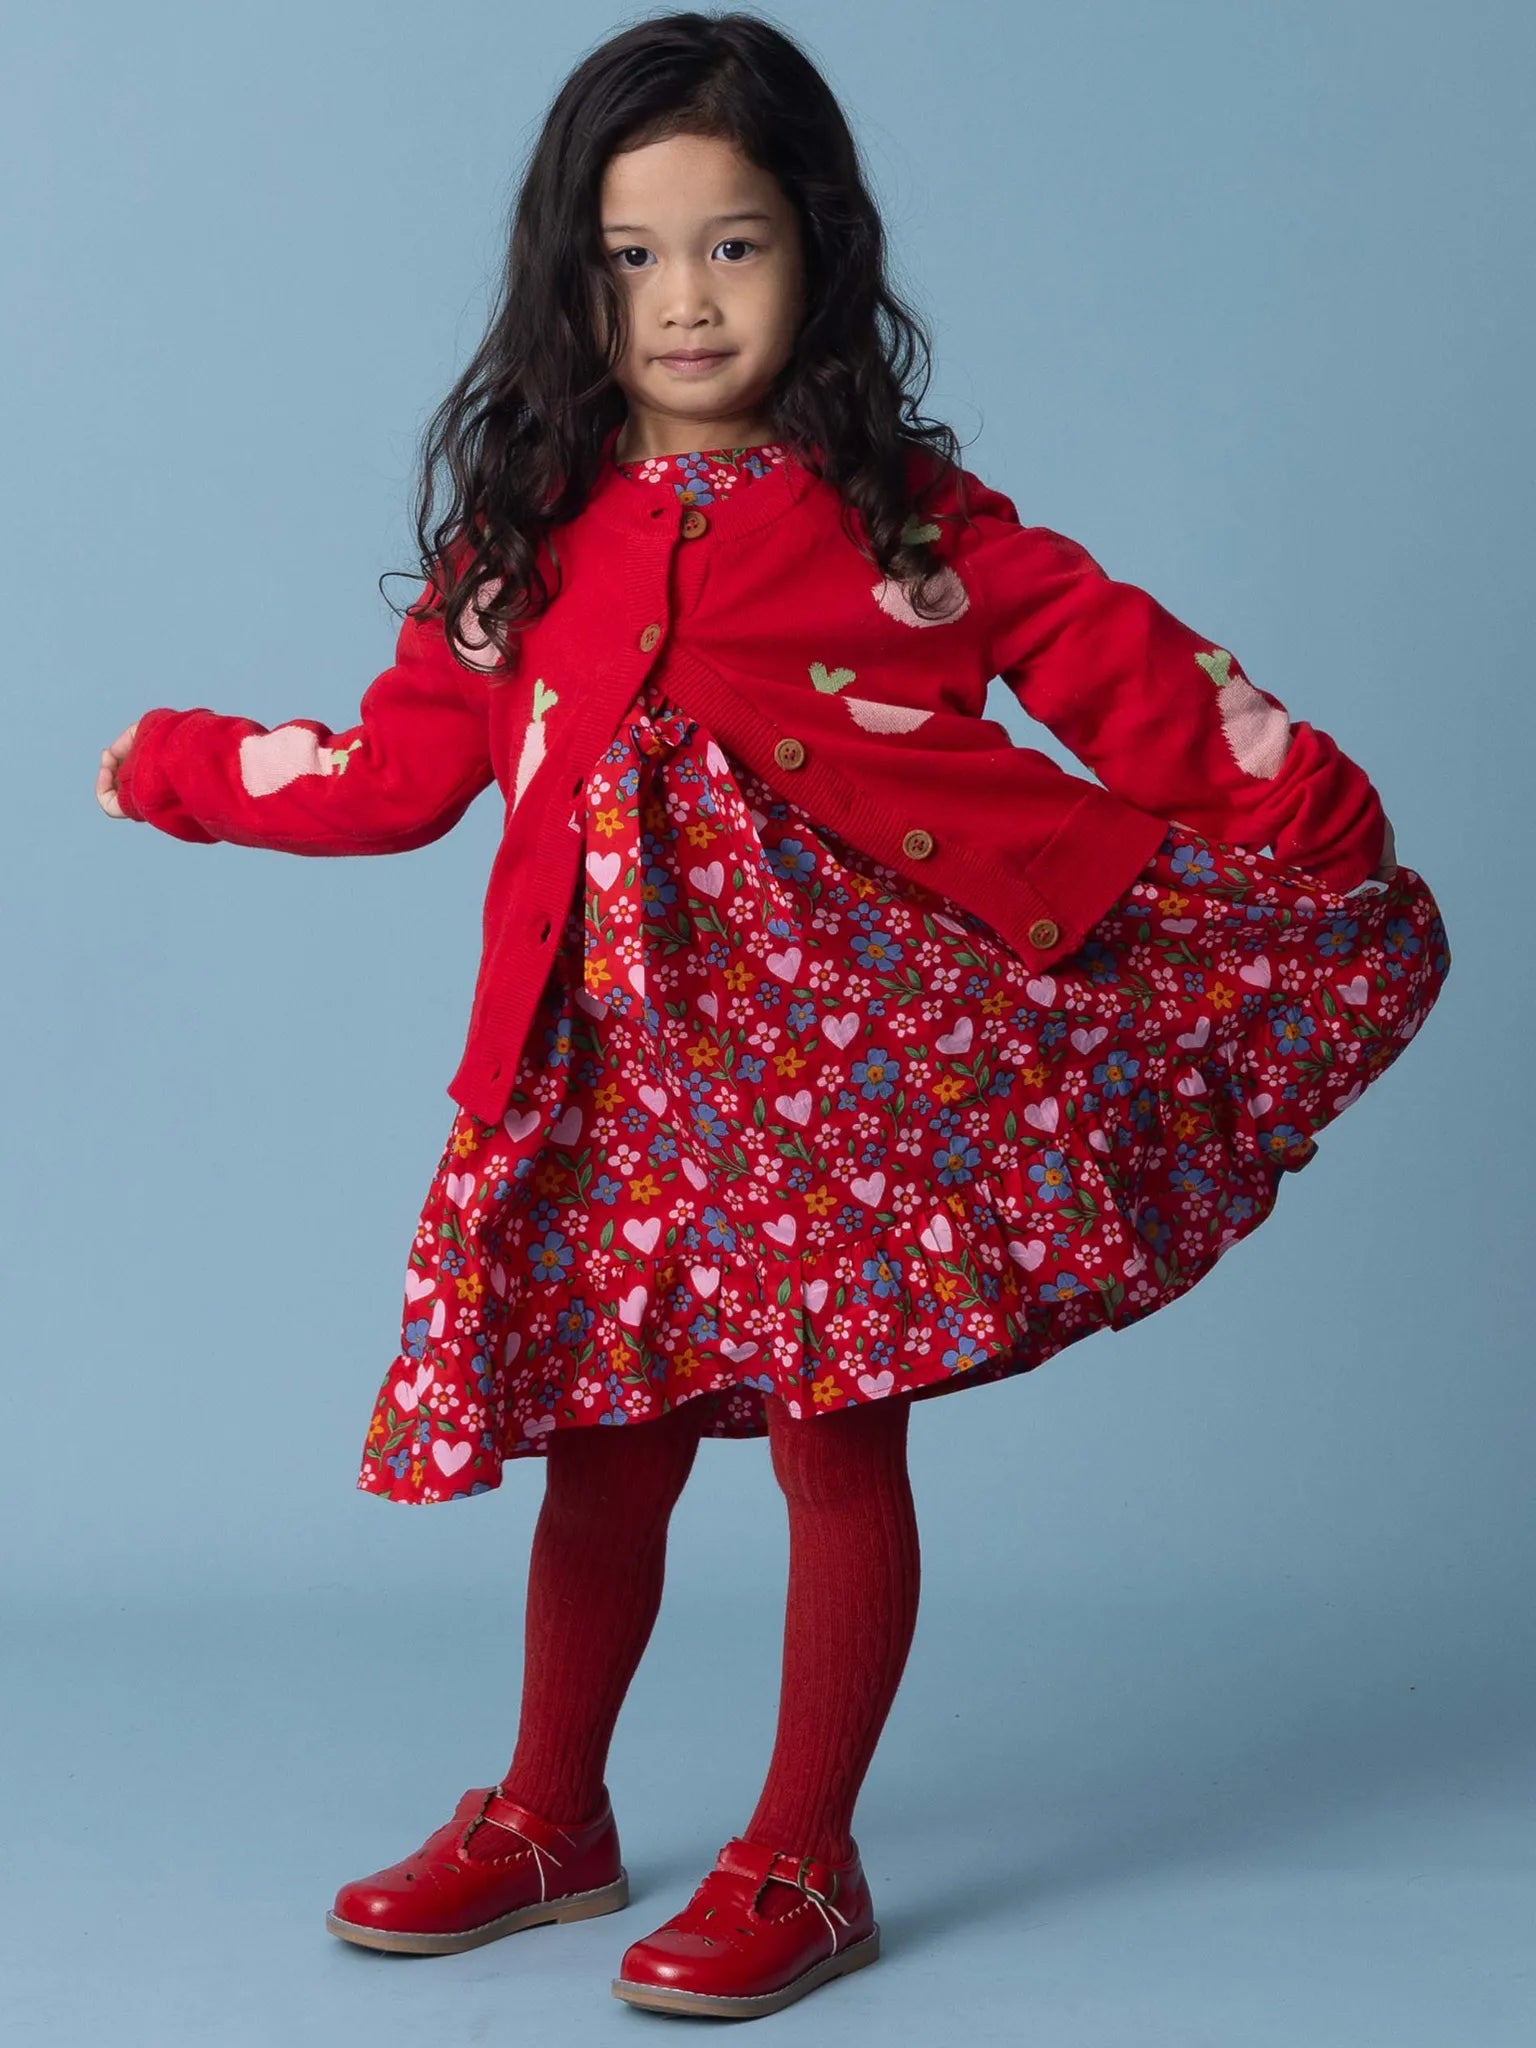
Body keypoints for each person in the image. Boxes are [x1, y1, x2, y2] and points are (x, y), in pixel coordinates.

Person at [94, 9, 1450, 2024]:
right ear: (570, 276)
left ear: (816, 251)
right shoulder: (518, 546)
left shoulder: (905, 521)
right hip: (611, 1088)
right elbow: (395, 779)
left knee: (834, 1446)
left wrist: (1318, 828)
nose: (686, 298)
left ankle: (804, 1859)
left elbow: (1147, 685)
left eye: (733, 244)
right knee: (604, 1453)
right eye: (634, 256)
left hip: (860, 1087)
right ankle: (552, 1811)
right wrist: (188, 764)